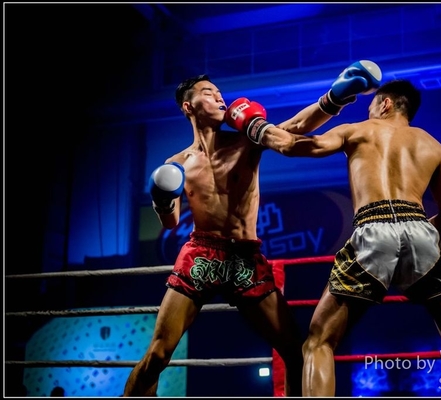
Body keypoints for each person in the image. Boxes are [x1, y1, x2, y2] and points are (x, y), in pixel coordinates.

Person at [235, 79, 441, 396]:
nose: (369, 112)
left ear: (385, 103)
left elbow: (292, 146)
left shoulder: (358, 130)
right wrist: (414, 231)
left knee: (318, 341)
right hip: (421, 231)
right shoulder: (434, 146)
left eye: (371, 105)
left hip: (373, 229)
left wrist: (254, 127)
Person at [122, 60, 382, 397]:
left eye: (219, 93)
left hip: (244, 256)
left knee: (294, 348)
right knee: (158, 353)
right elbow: (171, 222)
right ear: (188, 107)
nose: (219, 98)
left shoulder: (246, 141)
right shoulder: (176, 164)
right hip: (200, 254)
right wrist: (160, 199)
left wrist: (336, 97)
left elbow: (295, 128)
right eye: (208, 93)